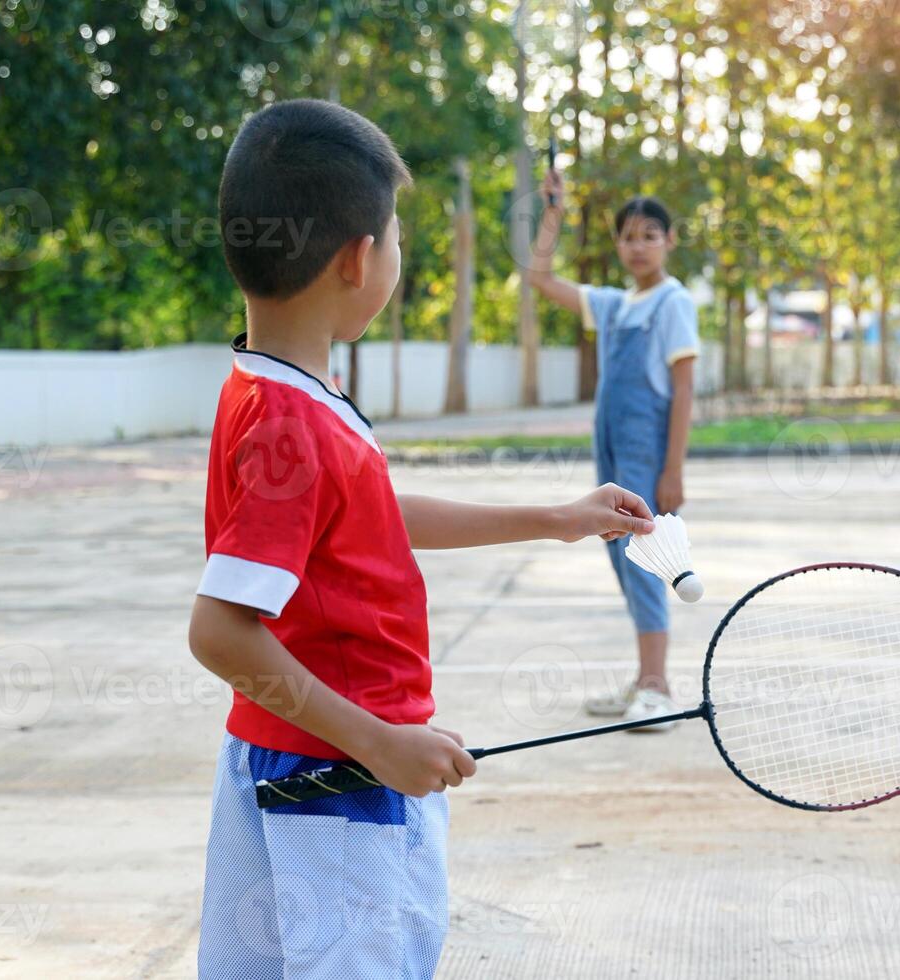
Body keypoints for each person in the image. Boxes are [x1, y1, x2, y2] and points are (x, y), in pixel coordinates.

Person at [189, 98, 655, 979]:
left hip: (278, 755)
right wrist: (376, 742)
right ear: (360, 259)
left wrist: (557, 518)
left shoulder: (269, 389)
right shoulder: (294, 423)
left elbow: (364, 519)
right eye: (398, 236)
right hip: (336, 788)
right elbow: (218, 631)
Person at [526, 167, 700, 731]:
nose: (639, 245)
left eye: (651, 234)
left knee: (647, 558)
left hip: (646, 447)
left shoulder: (673, 302)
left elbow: (683, 390)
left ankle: (658, 688)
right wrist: (553, 212)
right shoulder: (614, 304)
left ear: (669, 242)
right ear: (617, 243)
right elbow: (539, 275)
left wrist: (673, 468)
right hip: (611, 447)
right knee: (623, 558)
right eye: (628, 235)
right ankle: (644, 681)